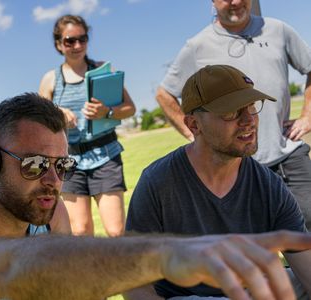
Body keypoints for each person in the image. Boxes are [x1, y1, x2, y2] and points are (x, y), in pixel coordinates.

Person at [0, 93, 311, 300]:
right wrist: (162, 255)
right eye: (34, 165)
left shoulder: (46, 213)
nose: (53, 180)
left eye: (62, 165)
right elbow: (11, 271)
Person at [125, 65, 311, 300]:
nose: (248, 121)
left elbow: (306, 265)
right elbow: (134, 282)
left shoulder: (269, 186)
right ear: (194, 125)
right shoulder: (158, 182)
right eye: (231, 112)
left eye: (252, 107)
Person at [156, 0, 311, 230]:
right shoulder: (197, 45)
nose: (236, 1)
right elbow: (164, 94)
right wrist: (195, 135)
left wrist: (307, 116)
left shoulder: (278, 29)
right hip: (236, 167)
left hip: (286, 154)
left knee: (303, 233)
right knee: (245, 250)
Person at [39, 15, 136, 237]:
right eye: (69, 41)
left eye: (82, 39)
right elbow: (40, 124)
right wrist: (57, 115)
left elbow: (130, 108)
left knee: (116, 230)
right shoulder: (50, 80)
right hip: (69, 162)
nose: (77, 45)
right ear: (58, 44)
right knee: (81, 231)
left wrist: (107, 112)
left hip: (106, 155)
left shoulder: (103, 70)